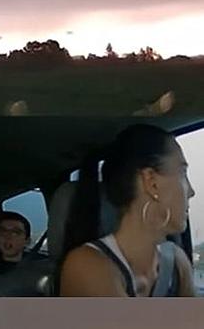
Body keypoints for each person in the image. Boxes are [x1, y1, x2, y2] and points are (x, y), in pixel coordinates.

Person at [59, 124, 196, 297]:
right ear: (151, 182)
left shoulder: (177, 262)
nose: (191, 191)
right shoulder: (86, 266)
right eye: (182, 173)